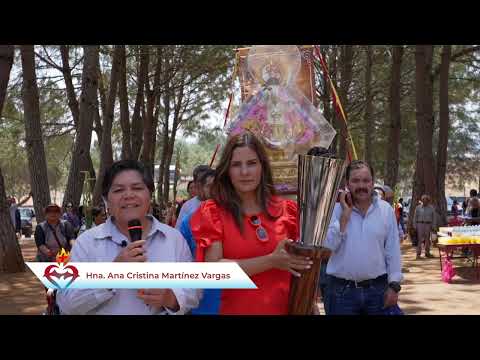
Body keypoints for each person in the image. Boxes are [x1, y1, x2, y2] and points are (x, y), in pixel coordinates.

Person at [56, 160, 199, 315]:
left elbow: (194, 291)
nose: (129, 195)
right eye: (118, 190)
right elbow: (66, 303)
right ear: (106, 199)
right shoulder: (86, 243)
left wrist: (171, 298)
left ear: (150, 194)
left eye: (137, 188)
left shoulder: (173, 239)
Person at [190, 132, 311, 315]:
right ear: (227, 170)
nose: (245, 172)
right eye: (236, 165)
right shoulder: (213, 212)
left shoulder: (289, 211)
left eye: (252, 163)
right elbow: (214, 272)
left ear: (263, 167)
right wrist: (271, 261)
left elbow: (304, 267)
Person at [323, 160, 403, 315]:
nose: (361, 185)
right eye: (355, 180)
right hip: (341, 294)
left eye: (366, 180)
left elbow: (392, 251)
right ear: (347, 183)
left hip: (378, 292)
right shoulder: (335, 210)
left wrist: (394, 286)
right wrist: (344, 218)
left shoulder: (385, 210)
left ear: (372, 183)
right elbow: (327, 247)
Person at [179, 168, 220, 315]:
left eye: (219, 185)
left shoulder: (234, 218)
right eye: (210, 186)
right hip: (201, 296)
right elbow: (181, 257)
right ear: (201, 190)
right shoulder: (188, 221)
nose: (216, 190)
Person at [175, 165, 211, 229]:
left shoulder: (220, 204)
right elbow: (178, 231)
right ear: (195, 183)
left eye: (206, 181)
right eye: (201, 181)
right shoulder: (187, 206)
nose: (204, 184)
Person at [413, 194, 436, 259]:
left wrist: (433, 226)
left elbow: (434, 217)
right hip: (419, 224)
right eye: (423, 200)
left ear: (428, 201)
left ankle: (427, 253)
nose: (424, 201)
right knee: (419, 240)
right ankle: (418, 254)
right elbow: (415, 217)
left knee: (427, 240)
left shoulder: (431, 208)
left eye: (426, 200)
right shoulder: (418, 207)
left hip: (428, 225)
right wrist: (414, 225)